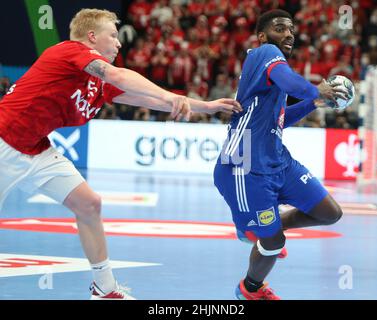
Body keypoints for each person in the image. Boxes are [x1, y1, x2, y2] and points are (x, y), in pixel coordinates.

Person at [0, 8, 241, 300]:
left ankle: (105, 289)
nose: (118, 43)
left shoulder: (99, 83)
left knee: (89, 204)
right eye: (112, 35)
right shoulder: (69, 51)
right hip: (4, 140)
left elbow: (146, 98)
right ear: (91, 37)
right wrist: (170, 96)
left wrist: (206, 106)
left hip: (35, 147)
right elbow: (117, 75)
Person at [213, 9, 349, 300]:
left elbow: (282, 117)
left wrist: (316, 102)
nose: (289, 34)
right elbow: (289, 81)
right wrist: (316, 90)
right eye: (280, 28)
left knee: (329, 213)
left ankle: (268, 225)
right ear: (262, 36)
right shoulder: (265, 53)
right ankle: (250, 289)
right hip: (245, 163)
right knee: (273, 242)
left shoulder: (271, 76)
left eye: (291, 29)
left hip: (278, 161)